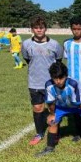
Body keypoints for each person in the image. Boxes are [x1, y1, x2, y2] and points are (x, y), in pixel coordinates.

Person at [35, 62, 81, 158]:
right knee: (52, 121)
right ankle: (49, 148)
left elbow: (77, 103)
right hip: (63, 104)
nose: (58, 81)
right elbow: (50, 102)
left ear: (66, 76)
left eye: (61, 78)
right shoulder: (49, 85)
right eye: (55, 78)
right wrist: (52, 114)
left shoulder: (73, 84)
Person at [21, 16, 63, 145]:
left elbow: (59, 61)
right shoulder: (26, 44)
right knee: (38, 108)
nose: (39, 30)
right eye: (36, 28)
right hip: (34, 82)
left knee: (53, 109)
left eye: (41, 27)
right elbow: (27, 59)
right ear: (32, 29)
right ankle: (39, 133)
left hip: (51, 83)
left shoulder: (54, 44)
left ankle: (55, 132)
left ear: (45, 28)